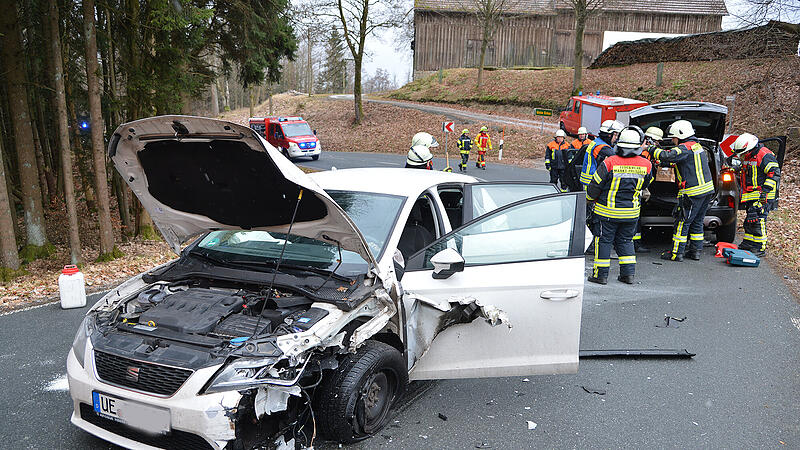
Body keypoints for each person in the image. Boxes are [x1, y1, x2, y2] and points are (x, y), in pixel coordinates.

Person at [586, 127, 653, 285]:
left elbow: (595, 186)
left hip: (607, 213)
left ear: (619, 145)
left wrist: (589, 199)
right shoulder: (646, 165)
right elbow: (646, 183)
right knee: (625, 241)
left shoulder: (609, 163)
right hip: (631, 214)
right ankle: (628, 275)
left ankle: (601, 275)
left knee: (603, 241)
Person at [651, 120, 714, 261]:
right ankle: (695, 252)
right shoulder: (697, 146)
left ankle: (676, 253)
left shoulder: (684, 148)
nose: (673, 141)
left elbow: (668, 155)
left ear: (681, 135)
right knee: (697, 222)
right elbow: (681, 162)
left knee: (682, 222)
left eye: (673, 138)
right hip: (707, 191)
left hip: (692, 193)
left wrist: (652, 150)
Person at [731, 133, 781, 256]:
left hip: (763, 195)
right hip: (751, 194)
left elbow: (774, 173)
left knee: (759, 220)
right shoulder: (749, 155)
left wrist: (765, 192)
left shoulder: (764, 155)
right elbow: (747, 172)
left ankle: (759, 247)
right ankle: (748, 243)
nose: (742, 156)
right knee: (750, 220)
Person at [631, 126, 664, 253]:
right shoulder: (643, 154)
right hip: (636, 189)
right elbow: (644, 174)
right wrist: (645, 188)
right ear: (649, 140)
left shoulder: (641, 151)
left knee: (636, 218)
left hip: (636, 188)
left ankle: (635, 243)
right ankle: (635, 244)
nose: (657, 144)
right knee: (635, 218)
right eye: (656, 142)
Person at [580, 120, 624, 189]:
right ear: (609, 135)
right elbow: (618, 161)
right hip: (592, 182)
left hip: (589, 181)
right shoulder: (602, 147)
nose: (616, 138)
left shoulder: (597, 142)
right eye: (615, 135)